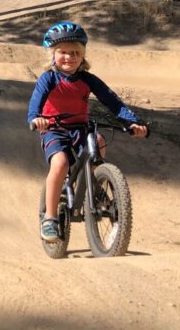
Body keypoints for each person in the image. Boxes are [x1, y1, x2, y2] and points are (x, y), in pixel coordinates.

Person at [27, 21, 148, 243]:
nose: (69, 57)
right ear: (53, 55)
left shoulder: (87, 80)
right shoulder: (49, 78)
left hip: (80, 128)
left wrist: (132, 122)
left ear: (82, 56)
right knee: (60, 164)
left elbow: (113, 101)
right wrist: (36, 118)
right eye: (63, 52)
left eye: (75, 53)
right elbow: (36, 102)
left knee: (99, 141)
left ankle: (95, 184)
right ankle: (50, 219)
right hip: (54, 129)